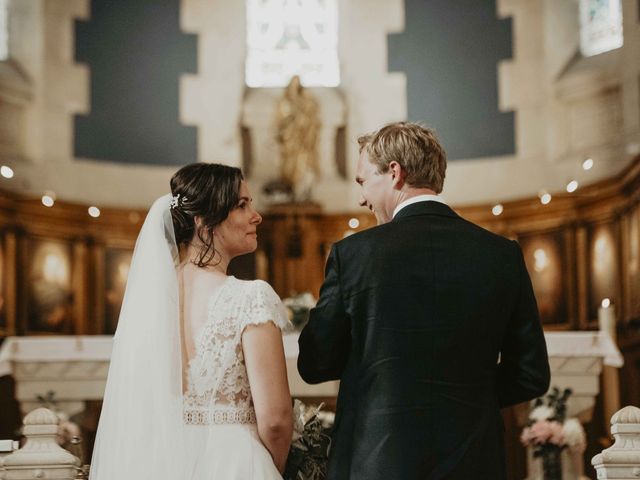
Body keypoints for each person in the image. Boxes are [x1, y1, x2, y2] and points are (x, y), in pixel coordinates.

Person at [297, 122, 550, 480]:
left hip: (378, 460)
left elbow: (315, 362)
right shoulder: (501, 255)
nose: (361, 198)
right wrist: (469, 393)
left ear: (395, 173)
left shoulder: (353, 256)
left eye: (362, 181)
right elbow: (531, 375)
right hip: (473, 460)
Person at [90, 163, 293, 479]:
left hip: (159, 462)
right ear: (203, 220)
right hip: (236, 463)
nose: (257, 215)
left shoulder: (149, 303)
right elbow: (277, 421)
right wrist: (271, 469)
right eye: (242, 205)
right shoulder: (251, 297)